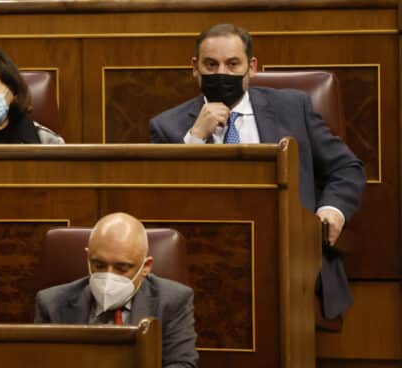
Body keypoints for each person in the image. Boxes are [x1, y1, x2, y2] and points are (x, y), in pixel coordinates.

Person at [149, 23, 366, 320]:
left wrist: (331, 211)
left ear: (251, 67)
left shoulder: (293, 107)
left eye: (232, 64)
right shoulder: (167, 127)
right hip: (205, 258)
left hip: (288, 254)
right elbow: (160, 199)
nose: (221, 73)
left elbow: (346, 167)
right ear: (194, 68)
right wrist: (194, 139)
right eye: (211, 65)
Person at [34, 212, 198, 368]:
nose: (108, 276)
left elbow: (182, 364)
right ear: (88, 258)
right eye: (99, 265)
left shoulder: (173, 301)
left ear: (146, 266)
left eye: (122, 268)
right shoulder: (51, 304)